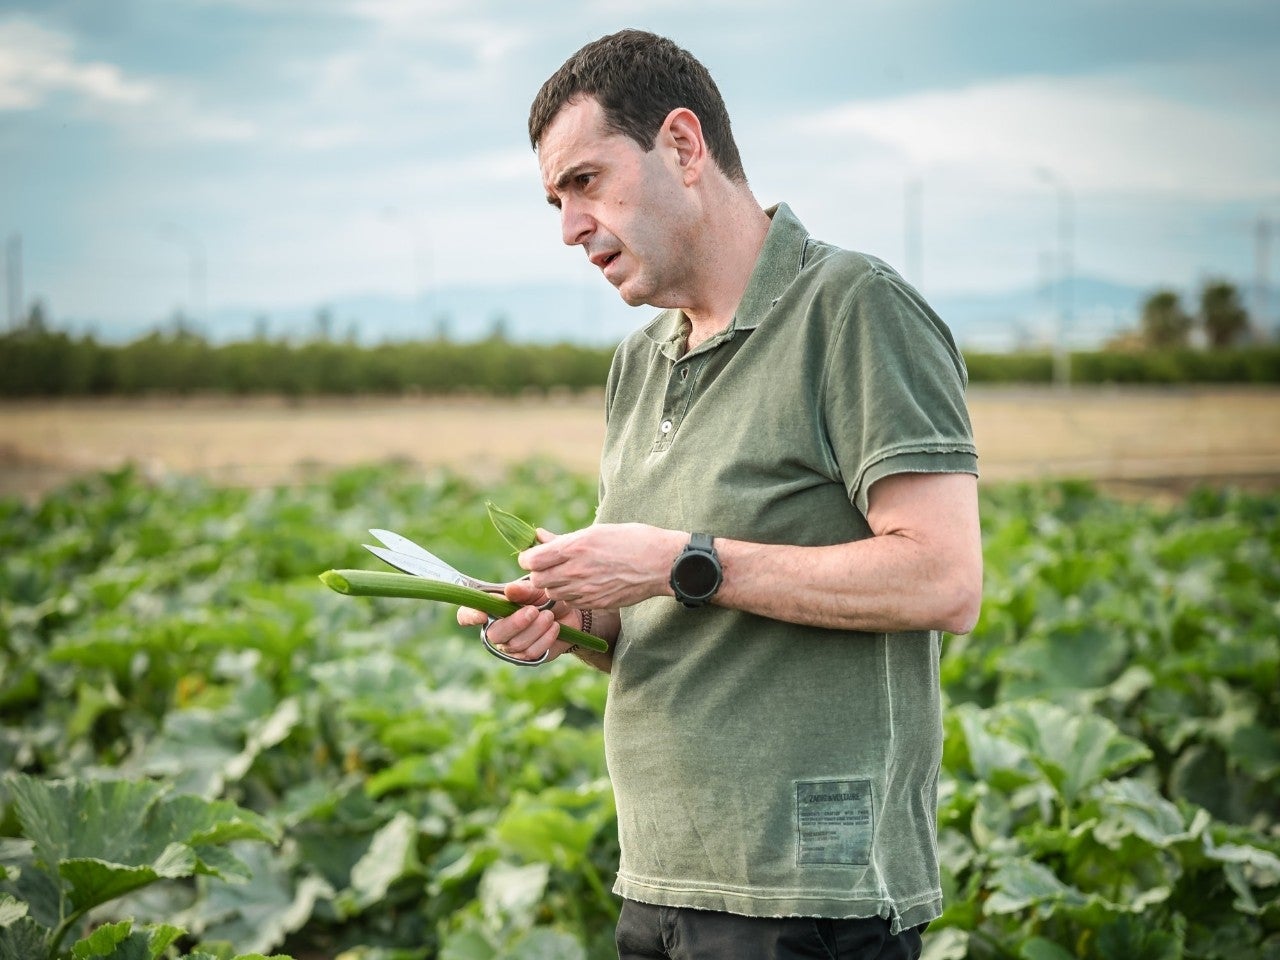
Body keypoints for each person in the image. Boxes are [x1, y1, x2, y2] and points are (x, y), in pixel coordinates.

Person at [457, 28, 982, 960]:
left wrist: (677, 560)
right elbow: (669, 615)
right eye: (556, 200)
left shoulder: (853, 307)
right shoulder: (640, 361)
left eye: (586, 182)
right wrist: (575, 616)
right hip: (659, 877)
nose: (570, 227)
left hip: (807, 896)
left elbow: (943, 580)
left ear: (683, 146)